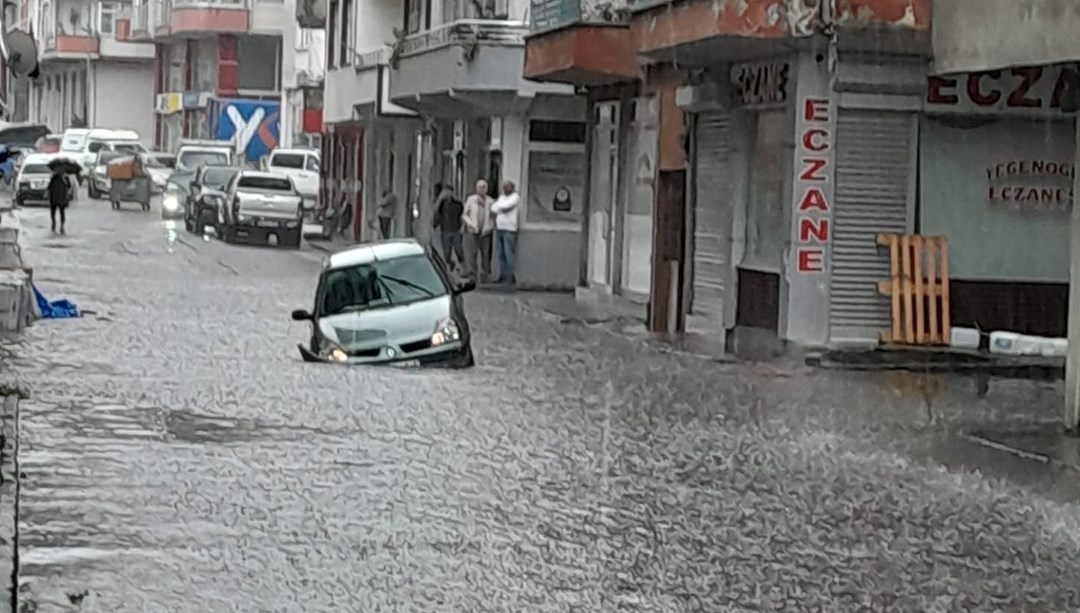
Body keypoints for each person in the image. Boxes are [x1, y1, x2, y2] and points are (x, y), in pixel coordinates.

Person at [461, 179, 495, 284]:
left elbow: (493, 217)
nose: (481, 189)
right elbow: (464, 214)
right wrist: (470, 224)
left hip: (485, 232)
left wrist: (489, 228)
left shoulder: (491, 201)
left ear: (487, 189)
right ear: (476, 188)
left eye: (484, 187)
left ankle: (485, 275)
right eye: (479, 187)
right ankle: (473, 275)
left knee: (485, 254)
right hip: (473, 231)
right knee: (472, 254)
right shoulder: (471, 199)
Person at [490, 180, 520, 287]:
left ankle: (510, 276)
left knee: (508, 254)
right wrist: (500, 208)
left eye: (507, 187)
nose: (505, 189)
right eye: (504, 187)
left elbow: (507, 206)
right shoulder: (502, 197)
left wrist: (500, 208)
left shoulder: (515, 196)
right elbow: (493, 208)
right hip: (500, 228)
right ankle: (502, 275)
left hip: (510, 229)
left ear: (512, 188)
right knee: (501, 255)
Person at [432, 184, 464, 270]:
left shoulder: (458, 204)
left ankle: (462, 266)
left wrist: (462, 227)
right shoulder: (441, 204)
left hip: (456, 230)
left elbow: (462, 215)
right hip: (445, 230)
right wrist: (440, 198)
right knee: (446, 253)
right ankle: (450, 264)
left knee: (459, 250)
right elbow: (434, 211)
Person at [47, 167, 71, 235]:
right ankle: (55, 223)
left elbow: (69, 186)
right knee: (57, 212)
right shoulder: (54, 177)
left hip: (60, 197)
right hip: (56, 197)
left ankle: (60, 225)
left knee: (61, 212)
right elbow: (49, 187)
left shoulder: (65, 178)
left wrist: (64, 180)